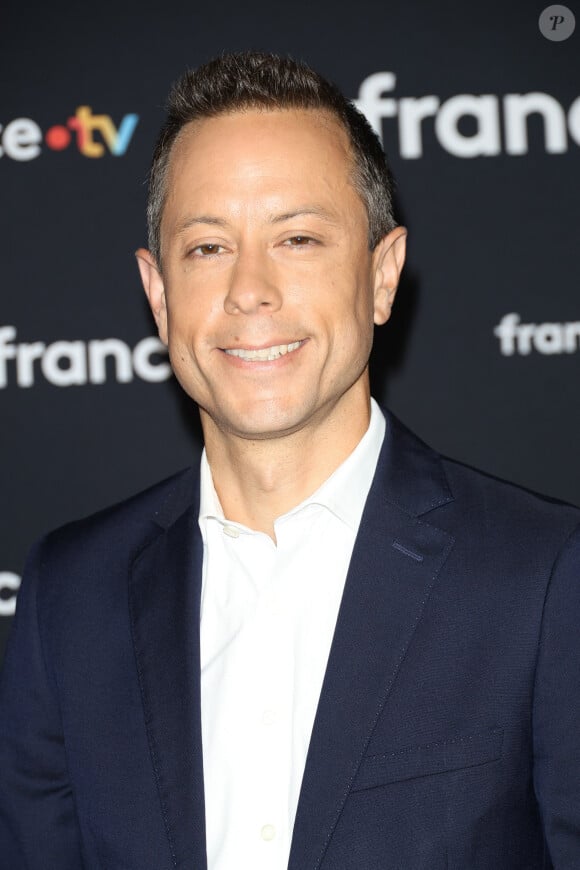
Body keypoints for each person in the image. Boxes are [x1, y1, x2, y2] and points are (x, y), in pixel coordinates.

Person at [0, 50, 579, 870]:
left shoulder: (546, 577)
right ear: (159, 296)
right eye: (206, 248)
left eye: (298, 238)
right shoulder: (70, 594)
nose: (250, 291)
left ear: (382, 276)